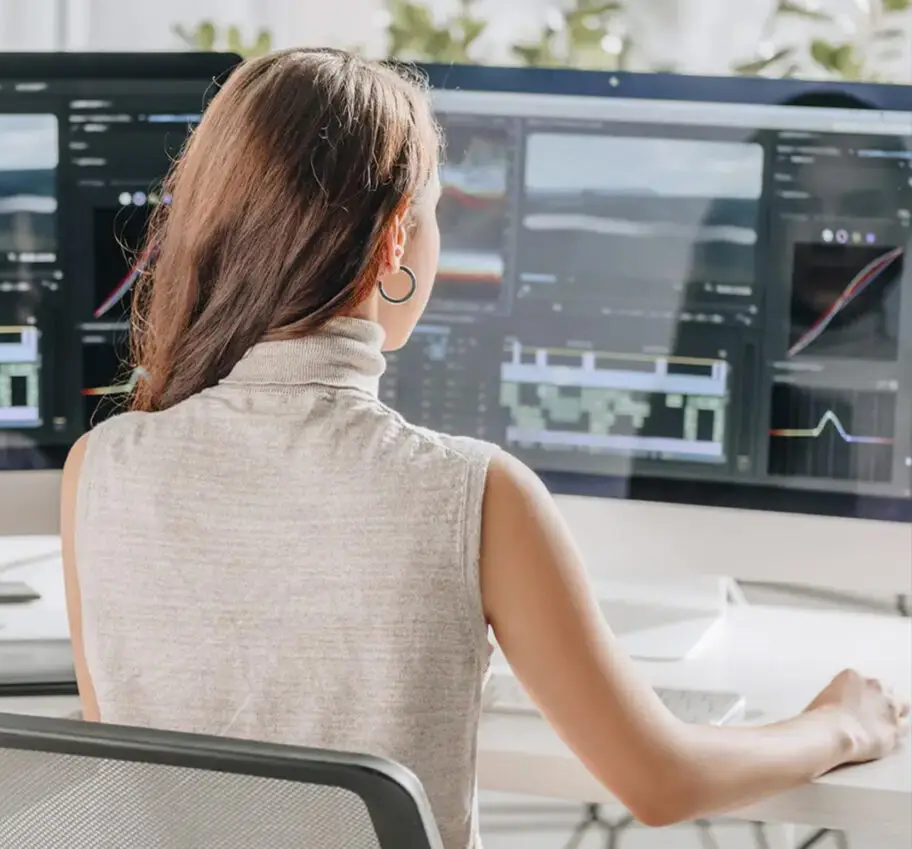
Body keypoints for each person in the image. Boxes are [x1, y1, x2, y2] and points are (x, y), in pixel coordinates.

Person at [61, 48, 908, 849]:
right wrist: (840, 721)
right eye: (435, 216)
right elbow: (662, 779)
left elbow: (145, 779)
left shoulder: (100, 470)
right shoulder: (472, 492)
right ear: (395, 241)